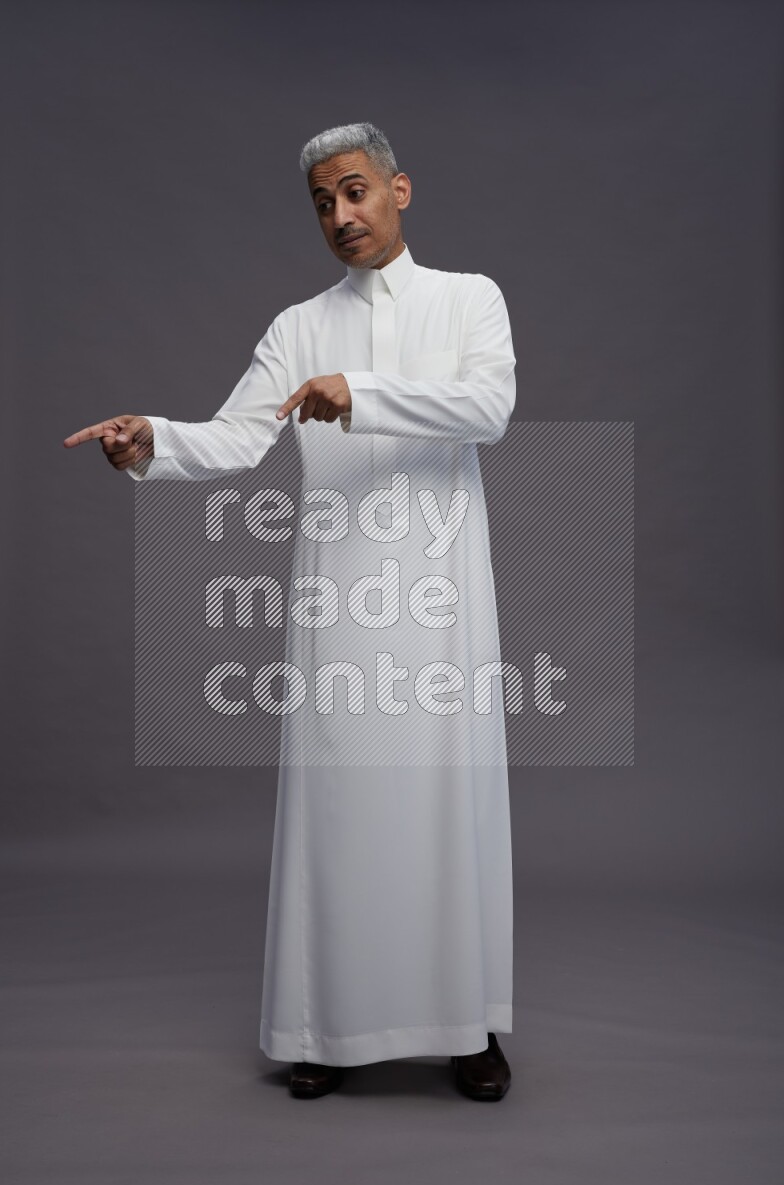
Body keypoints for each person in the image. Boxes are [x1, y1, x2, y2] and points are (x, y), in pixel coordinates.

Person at [63, 122, 516, 1101]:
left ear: (399, 189)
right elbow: (233, 440)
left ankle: (468, 1025)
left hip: (441, 606)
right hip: (340, 600)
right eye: (322, 203)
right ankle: (326, 1025)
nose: (340, 215)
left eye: (354, 192)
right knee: (339, 808)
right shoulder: (297, 325)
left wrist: (361, 391)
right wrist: (150, 440)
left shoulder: (467, 300)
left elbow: (486, 408)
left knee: (447, 804)